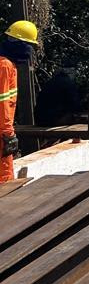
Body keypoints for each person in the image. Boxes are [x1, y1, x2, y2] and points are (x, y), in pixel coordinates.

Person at [0, 20, 38, 183]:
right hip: (1, 131)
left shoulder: (7, 64)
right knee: (4, 178)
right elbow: (2, 105)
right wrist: (8, 134)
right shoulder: (5, 66)